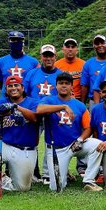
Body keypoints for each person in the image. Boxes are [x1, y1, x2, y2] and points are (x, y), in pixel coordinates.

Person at [36, 72, 103, 192]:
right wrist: (63, 107)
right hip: (56, 149)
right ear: (56, 86)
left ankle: (89, 180)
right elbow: (39, 110)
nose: (63, 86)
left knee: (98, 144)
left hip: (74, 145)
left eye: (67, 83)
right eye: (60, 83)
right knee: (57, 187)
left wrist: (80, 140)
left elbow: (88, 128)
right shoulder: (49, 100)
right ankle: (63, 172)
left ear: (71, 86)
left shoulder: (80, 105)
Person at [22, 44, 63, 184]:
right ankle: (31, 172)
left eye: (51, 55)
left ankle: (47, 173)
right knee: (30, 142)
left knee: (50, 143)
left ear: (55, 56)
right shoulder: (32, 73)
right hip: (33, 113)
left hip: (52, 113)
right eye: (45, 55)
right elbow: (24, 94)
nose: (48, 58)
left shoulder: (60, 74)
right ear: (41, 57)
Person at [0, 31, 39, 95]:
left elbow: (36, 82)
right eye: (13, 40)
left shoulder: (33, 62)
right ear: (9, 41)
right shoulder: (1, 61)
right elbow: (0, 83)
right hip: (6, 99)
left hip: (25, 100)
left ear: (23, 42)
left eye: (18, 40)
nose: (16, 42)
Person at [80, 34, 106, 109]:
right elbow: (85, 85)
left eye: (102, 43)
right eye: (97, 44)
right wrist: (82, 104)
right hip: (94, 101)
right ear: (94, 46)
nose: (100, 45)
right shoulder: (88, 64)